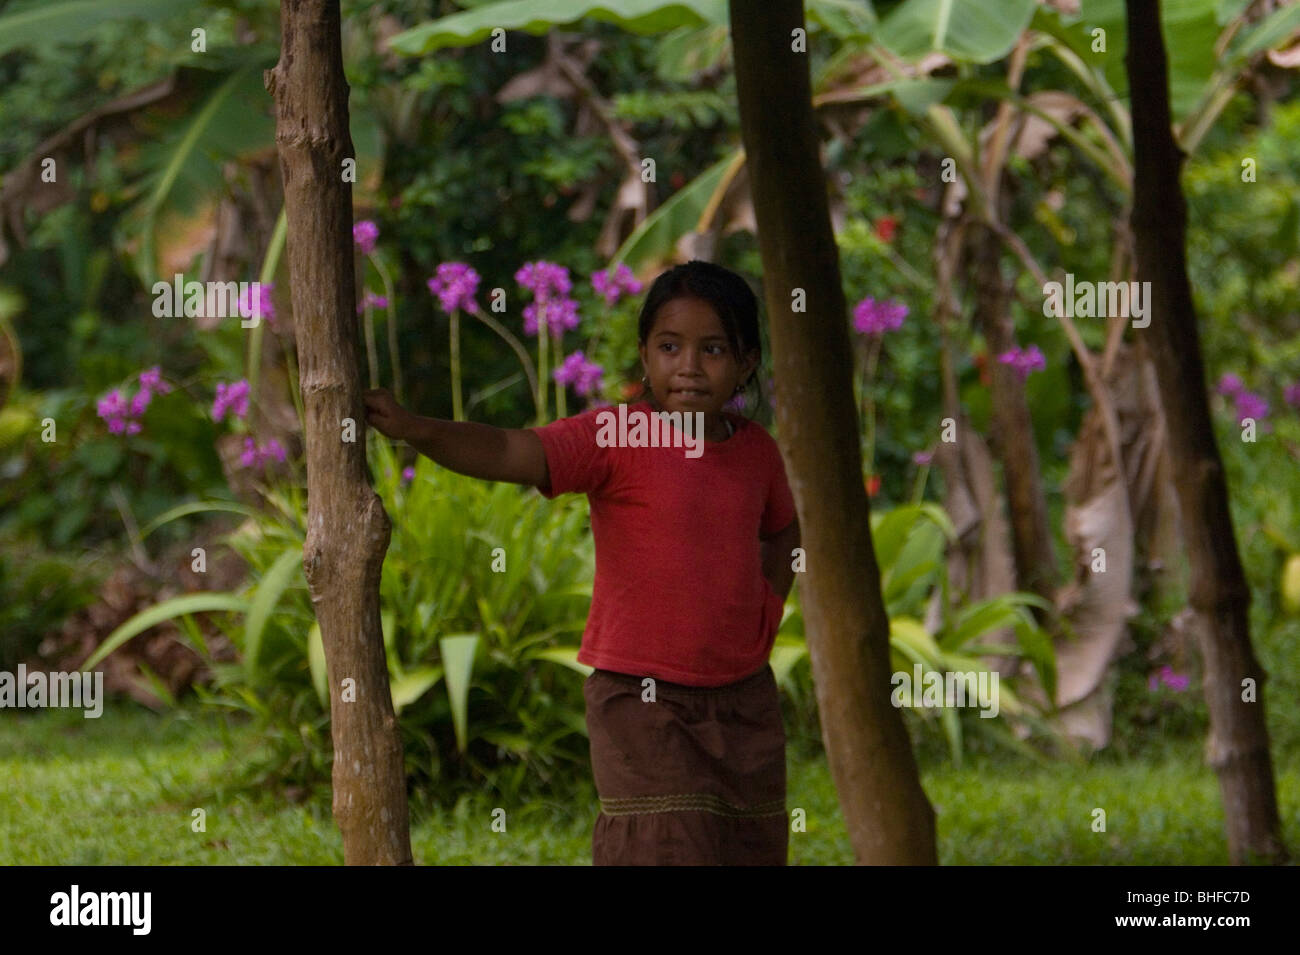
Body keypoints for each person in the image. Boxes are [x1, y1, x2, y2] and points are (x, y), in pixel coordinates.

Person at [364, 259, 801, 865]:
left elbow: (783, 535)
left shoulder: (758, 452)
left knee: (746, 848)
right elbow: (509, 449)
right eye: (670, 347)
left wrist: (769, 608)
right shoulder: (613, 435)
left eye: (714, 349)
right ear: (645, 357)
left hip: (742, 701)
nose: (690, 368)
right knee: (666, 850)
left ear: (746, 363)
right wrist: (416, 428)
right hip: (641, 704)